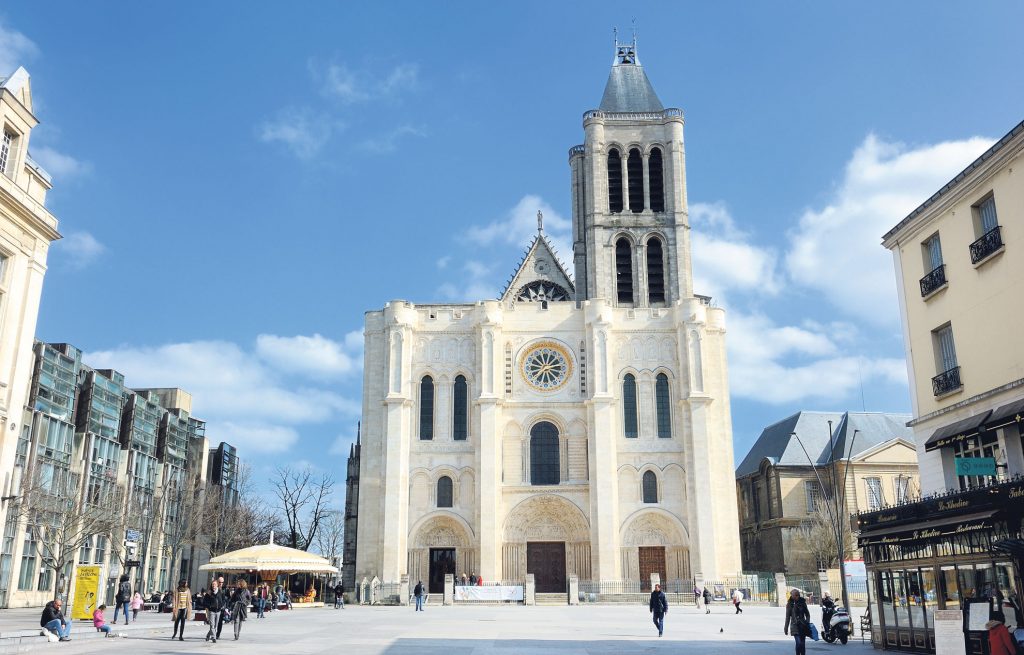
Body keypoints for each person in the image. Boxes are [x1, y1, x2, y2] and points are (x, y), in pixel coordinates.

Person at [784, 588, 812, 655]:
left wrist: (807, 622)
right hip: (794, 625)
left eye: (797, 595)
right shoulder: (789, 604)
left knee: (802, 644)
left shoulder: (802, 602)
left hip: (803, 625)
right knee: (798, 643)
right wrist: (786, 628)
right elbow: (787, 617)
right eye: (794, 595)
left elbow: (807, 614)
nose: (796, 596)